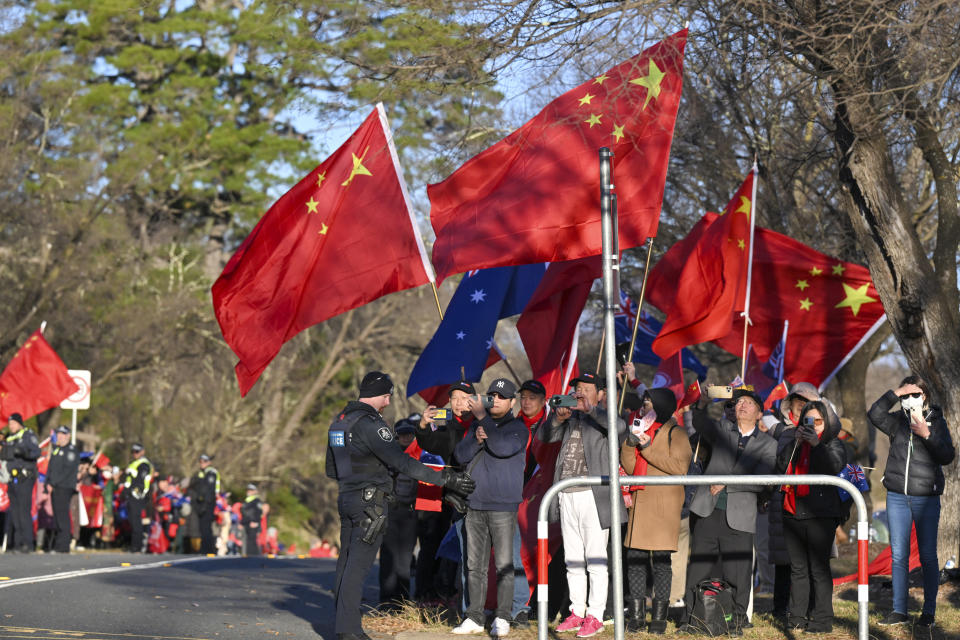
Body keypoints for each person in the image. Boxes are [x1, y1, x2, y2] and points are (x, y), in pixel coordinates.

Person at [325, 371, 476, 640]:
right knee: (357, 567)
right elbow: (402, 462)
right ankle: (348, 630)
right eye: (388, 396)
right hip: (369, 503)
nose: (388, 401)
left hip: (346, 497)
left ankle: (342, 623)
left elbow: (331, 468)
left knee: (345, 563)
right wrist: (445, 478)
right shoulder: (373, 424)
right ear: (383, 395)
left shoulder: (340, 422)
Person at [680, 389, 776, 634]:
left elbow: (764, 481)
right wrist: (702, 403)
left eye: (748, 402)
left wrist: (727, 482)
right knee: (698, 568)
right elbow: (700, 423)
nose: (741, 405)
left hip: (740, 516)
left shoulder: (768, 444)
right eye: (738, 402)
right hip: (707, 511)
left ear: (759, 413)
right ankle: (690, 619)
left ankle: (737, 621)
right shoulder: (723, 430)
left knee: (739, 572)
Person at [538, 371, 626, 639]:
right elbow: (544, 436)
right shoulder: (570, 417)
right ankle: (577, 611)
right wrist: (557, 417)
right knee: (572, 558)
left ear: (600, 394)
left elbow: (621, 429)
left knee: (596, 560)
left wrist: (592, 411)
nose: (580, 393)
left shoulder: (604, 417)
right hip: (566, 493)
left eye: (587, 388)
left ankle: (596, 615)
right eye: (577, 388)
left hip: (594, 495)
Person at [869, 376, 955, 628]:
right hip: (896, 496)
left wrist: (927, 434)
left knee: (927, 555)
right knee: (898, 555)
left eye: (914, 394)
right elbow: (874, 413)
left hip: (926, 498)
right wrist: (896, 392)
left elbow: (947, 455)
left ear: (925, 396)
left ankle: (928, 612)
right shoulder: (898, 422)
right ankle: (899, 610)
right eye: (906, 395)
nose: (909, 399)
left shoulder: (937, 422)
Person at [452, 379, 528, 637]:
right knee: (475, 566)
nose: (495, 399)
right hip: (474, 505)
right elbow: (460, 456)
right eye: (492, 395)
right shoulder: (477, 426)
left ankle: (503, 617)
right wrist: (476, 437)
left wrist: (483, 421)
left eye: (502, 396)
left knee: (505, 565)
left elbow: (502, 447)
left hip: (503, 507)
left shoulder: (518, 427)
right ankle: (474, 616)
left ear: (512, 402)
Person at [621, 388, 692, 634]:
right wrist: (630, 446)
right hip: (640, 502)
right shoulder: (639, 429)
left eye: (648, 402)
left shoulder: (677, 433)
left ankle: (659, 618)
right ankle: (637, 616)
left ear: (661, 405)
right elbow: (630, 468)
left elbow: (680, 468)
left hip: (664, 505)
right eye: (643, 402)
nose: (643, 407)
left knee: (662, 561)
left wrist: (648, 449)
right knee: (636, 560)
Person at [776, 400, 847, 633]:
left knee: (818, 568)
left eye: (818, 421)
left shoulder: (832, 443)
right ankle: (797, 616)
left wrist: (816, 445)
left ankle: (822, 619)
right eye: (808, 421)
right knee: (797, 568)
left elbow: (834, 466)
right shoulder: (795, 443)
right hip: (793, 510)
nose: (813, 426)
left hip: (821, 513)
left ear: (826, 423)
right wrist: (795, 443)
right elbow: (781, 466)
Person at [512, 379, 548, 629]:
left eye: (532, 397)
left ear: (543, 400)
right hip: (516, 494)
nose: (526, 402)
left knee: (543, 552)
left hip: (543, 495)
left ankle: (542, 604)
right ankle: (521, 605)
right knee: (519, 552)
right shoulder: (512, 425)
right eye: (523, 397)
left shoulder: (550, 424)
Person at [379, 416, 421, 608]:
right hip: (389, 511)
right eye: (402, 435)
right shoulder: (387, 456)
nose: (405, 438)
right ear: (396, 437)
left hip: (410, 513)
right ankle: (386, 597)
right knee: (388, 556)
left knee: (405, 558)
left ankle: (402, 599)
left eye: (409, 434)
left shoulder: (420, 456)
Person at [1, 413, 41, 552]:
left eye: (12, 423)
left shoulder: (28, 435)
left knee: (24, 511)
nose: (10, 426)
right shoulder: (9, 437)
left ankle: (27, 543)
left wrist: (22, 452)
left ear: (19, 423)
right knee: (15, 512)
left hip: (25, 477)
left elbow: (36, 452)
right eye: (9, 423)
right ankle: (17, 544)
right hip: (12, 479)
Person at [45, 425, 80, 554]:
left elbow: (66, 471)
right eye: (59, 433)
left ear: (68, 436)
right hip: (55, 486)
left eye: (63, 434)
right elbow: (51, 469)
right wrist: (47, 484)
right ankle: (59, 544)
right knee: (57, 516)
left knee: (63, 515)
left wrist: (53, 483)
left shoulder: (71, 451)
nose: (60, 436)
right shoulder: (57, 449)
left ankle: (64, 545)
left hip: (64, 486)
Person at [123, 443, 154, 553]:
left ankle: (137, 546)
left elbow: (140, 480)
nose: (134, 454)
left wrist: (134, 490)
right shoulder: (134, 463)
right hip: (131, 495)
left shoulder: (144, 464)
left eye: (137, 452)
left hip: (138, 495)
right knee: (132, 521)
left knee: (136, 521)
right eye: (133, 452)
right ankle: (135, 545)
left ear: (142, 452)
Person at [188, 453, 220, 555]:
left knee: (206, 528)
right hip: (201, 504)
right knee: (202, 528)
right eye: (201, 461)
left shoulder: (211, 473)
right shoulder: (201, 473)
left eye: (205, 461)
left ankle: (208, 549)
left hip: (208, 504)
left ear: (209, 463)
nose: (202, 463)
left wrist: (205, 505)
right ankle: (205, 548)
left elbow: (209, 491)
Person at [241, 484, 264, 556]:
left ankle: (254, 556)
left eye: (250, 490)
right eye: (248, 490)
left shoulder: (256, 501)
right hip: (247, 523)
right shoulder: (247, 500)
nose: (248, 492)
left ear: (255, 491)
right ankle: (249, 555)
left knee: (252, 540)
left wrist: (254, 521)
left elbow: (258, 512)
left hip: (253, 523)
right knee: (247, 541)